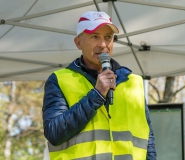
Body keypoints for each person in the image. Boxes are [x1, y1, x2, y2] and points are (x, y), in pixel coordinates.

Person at [42, 11, 157, 160]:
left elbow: (149, 141)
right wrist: (96, 95)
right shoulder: (59, 80)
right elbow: (54, 133)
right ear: (78, 43)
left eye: (108, 37)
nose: (103, 45)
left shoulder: (134, 82)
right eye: (95, 36)